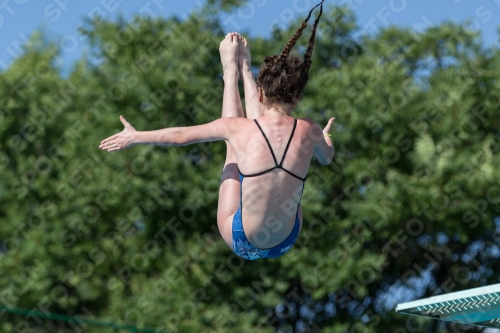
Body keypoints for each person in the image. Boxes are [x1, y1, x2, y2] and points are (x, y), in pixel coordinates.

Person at [99, 1, 334, 260]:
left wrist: (136, 137)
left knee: (235, 148)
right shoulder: (310, 128)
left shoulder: (239, 128)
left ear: (259, 93)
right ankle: (243, 69)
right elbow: (327, 157)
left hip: (243, 239)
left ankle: (233, 71)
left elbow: (180, 137)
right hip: (286, 239)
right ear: (297, 100)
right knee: (251, 142)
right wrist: (325, 136)